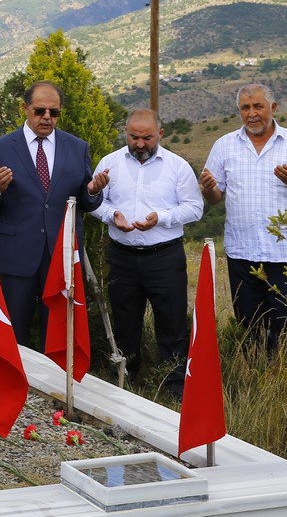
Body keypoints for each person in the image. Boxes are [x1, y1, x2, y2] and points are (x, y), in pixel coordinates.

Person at [200, 83, 287, 354]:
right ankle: (258, 388)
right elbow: (214, 198)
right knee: (251, 332)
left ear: (273, 108)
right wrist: (209, 188)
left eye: (258, 106)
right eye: (245, 108)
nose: (252, 114)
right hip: (243, 256)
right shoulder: (224, 146)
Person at [0, 81, 110, 348]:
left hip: (61, 255)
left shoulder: (77, 148)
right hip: (17, 254)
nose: (47, 117)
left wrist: (94, 191)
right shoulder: (2, 147)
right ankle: (13, 385)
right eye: (40, 111)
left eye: (54, 112)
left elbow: (85, 201)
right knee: (13, 333)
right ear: (25, 108)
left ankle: (54, 387)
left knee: (58, 335)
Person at [91, 109, 202, 396]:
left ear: (160, 134)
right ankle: (125, 382)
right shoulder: (109, 163)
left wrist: (160, 218)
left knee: (172, 322)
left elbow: (194, 208)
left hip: (164, 258)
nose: (140, 144)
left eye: (147, 138)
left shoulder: (177, 166)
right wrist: (112, 214)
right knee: (125, 322)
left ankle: (174, 387)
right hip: (122, 257)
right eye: (134, 137)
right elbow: (95, 202)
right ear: (126, 132)